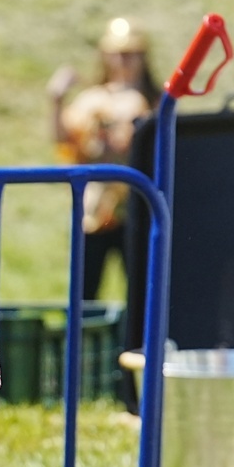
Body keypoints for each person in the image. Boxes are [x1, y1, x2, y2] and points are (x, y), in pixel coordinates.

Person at [47, 17, 160, 301]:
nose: (124, 61)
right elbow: (65, 140)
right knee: (85, 291)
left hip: (138, 205)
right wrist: (56, 100)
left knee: (143, 290)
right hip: (95, 208)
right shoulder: (92, 99)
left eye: (131, 53)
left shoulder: (157, 101)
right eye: (118, 53)